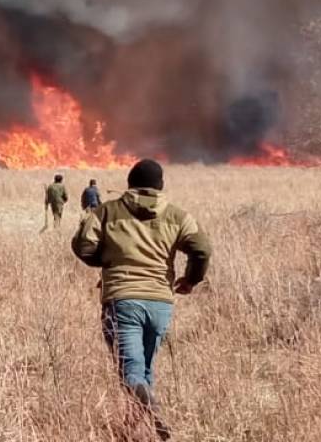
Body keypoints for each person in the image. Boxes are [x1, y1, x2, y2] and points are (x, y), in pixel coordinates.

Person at [71, 159, 212, 440]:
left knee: (130, 372)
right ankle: (132, 430)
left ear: (129, 183)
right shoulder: (177, 216)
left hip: (122, 300)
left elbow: (83, 245)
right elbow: (202, 250)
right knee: (144, 368)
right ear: (160, 185)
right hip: (160, 302)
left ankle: (150, 411)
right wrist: (190, 280)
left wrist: (108, 261)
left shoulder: (108, 211)